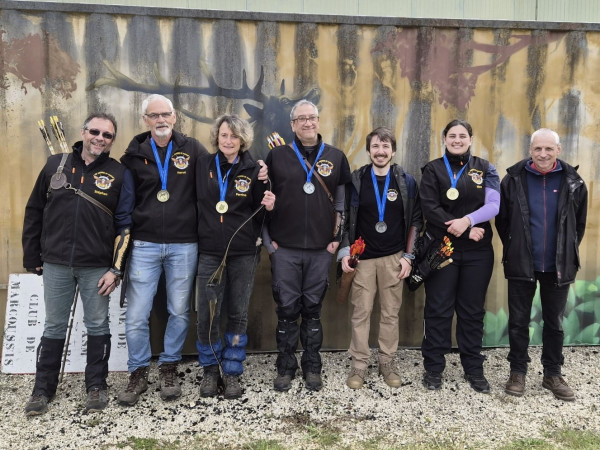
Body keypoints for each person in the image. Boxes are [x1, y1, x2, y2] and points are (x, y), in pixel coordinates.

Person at [22, 113, 134, 415]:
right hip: (56, 263)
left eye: (107, 135)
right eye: (95, 131)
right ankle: (42, 390)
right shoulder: (54, 165)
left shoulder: (119, 173)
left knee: (97, 325)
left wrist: (116, 269)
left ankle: (96, 386)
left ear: (112, 140)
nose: (100, 138)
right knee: (54, 325)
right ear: (83, 132)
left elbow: (124, 225)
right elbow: (34, 210)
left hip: (96, 265)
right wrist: (32, 256)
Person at [117, 94, 208, 405]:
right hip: (144, 244)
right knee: (136, 314)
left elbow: (216, 176)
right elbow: (126, 202)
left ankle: (169, 366)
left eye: (165, 114)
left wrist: (257, 170)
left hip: (184, 244)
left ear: (175, 116)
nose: (160, 120)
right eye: (154, 115)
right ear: (145, 120)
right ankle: (138, 370)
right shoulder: (133, 156)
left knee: (179, 310)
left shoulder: (193, 149)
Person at [264, 99, 351, 392]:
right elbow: (264, 199)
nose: (307, 123)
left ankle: (312, 367)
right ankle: (285, 367)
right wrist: (269, 244)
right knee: (287, 310)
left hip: (320, 249)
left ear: (318, 120)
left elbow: (341, 204)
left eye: (311, 117)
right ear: (292, 125)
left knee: (313, 310)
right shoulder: (277, 156)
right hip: (284, 249)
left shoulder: (336, 157)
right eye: (301, 119)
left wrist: (336, 239)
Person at [496, 128, 587, 401]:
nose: (543, 154)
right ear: (530, 150)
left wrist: (565, 251)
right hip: (522, 262)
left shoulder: (574, 182)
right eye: (538, 149)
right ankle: (517, 372)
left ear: (558, 150)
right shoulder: (512, 180)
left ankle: (552, 374)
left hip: (558, 265)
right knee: (518, 321)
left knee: (554, 323)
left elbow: (578, 225)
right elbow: (503, 222)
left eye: (549, 149)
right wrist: (515, 247)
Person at [195, 115, 275, 399]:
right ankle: (210, 370)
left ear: (243, 140)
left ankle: (231, 371)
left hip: (243, 253)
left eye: (234, 136)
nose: (228, 141)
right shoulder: (202, 164)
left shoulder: (255, 170)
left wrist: (269, 205)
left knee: (238, 313)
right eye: (224, 135)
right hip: (209, 252)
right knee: (207, 313)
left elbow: (261, 213)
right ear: (217, 137)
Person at [419, 119, 500, 393]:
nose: (457, 140)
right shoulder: (432, 169)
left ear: (470, 139)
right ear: (444, 139)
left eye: (462, 136)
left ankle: (473, 368)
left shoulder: (485, 168)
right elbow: (430, 209)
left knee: (472, 311)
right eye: (452, 135)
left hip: (478, 252)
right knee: (438, 309)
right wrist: (465, 230)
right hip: (442, 249)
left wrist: (467, 221)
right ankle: (434, 368)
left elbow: (494, 205)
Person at [339, 127, 422, 389]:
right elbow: (345, 219)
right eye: (375, 146)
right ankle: (359, 364)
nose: (380, 151)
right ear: (368, 150)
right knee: (361, 313)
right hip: (363, 259)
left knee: (390, 313)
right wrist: (345, 252)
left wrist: (408, 256)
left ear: (393, 151)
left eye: (386, 146)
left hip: (394, 259)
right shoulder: (356, 180)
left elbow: (416, 220)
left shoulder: (406, 182)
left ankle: (387, 362)